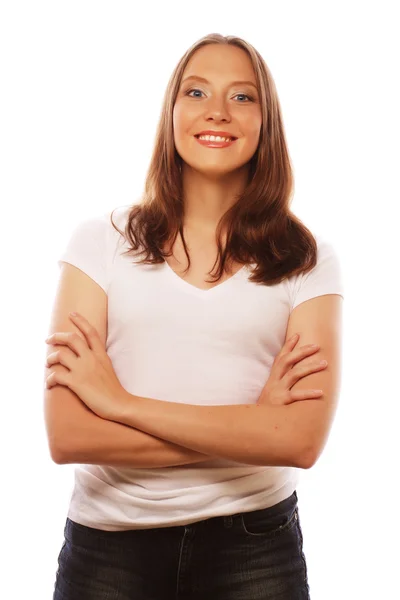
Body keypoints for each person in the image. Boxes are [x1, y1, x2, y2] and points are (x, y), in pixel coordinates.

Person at [45, 33, 344, 600]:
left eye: (242, 97)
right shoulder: (98, 243)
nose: (216, 111)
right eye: (197, 91)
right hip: (108, 548)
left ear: (266, 122)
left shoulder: (306, 258)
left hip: (255, 544)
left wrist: (121, 405)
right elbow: (68, 434)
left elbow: (300, 440)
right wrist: (253, 427)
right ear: (172, 110)